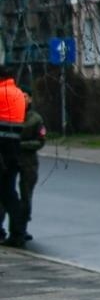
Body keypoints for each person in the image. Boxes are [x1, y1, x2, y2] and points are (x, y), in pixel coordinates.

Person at [0, 65, 26, 246]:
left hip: (0, 150)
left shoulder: (1, 93)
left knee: (6, 195)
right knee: (9, 192)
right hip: (14, 150)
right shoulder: (18, 93)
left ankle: (16, 234)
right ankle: (18, 232)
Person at [15, 90, 44, 243]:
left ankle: (22, 229)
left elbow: (40, 141)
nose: (23, 99)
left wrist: (21, 145)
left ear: (31, 99)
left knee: (26, 195)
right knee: (7, 195)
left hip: (28, 161)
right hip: (10, 160)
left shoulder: (35, 119)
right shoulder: (11, 114)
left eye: (25, 96)